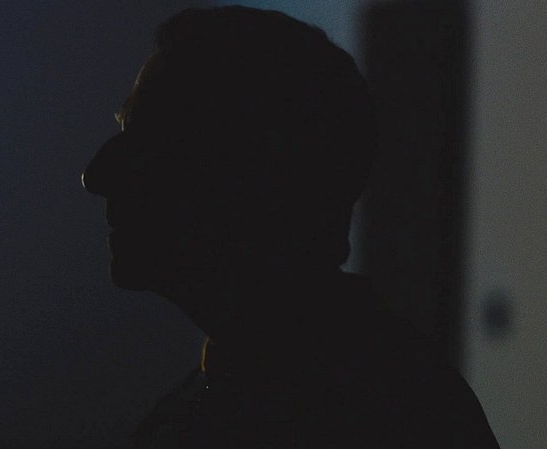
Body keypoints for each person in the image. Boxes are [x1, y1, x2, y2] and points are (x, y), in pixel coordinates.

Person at [81, 6, 501, 449]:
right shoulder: (390, 395)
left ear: (261, 173)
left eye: (151, 139)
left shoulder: (383, 414)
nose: (96, 175)